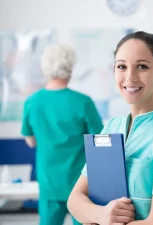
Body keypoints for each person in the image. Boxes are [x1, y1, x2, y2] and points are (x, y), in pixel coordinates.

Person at [67, 31, 153, 225]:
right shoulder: (111, 127)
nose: (130, 76)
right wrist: (102, 215)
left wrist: (98, 217)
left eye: (142, 67)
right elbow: (75, 200)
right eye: (122, 66)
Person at [21, 44, 104, 225]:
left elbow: (30, 141)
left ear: (44, 68)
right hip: (81, 186)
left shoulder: (32, 102)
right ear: (70, 68)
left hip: (49, 184)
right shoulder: (83, 102)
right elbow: (100, 143)